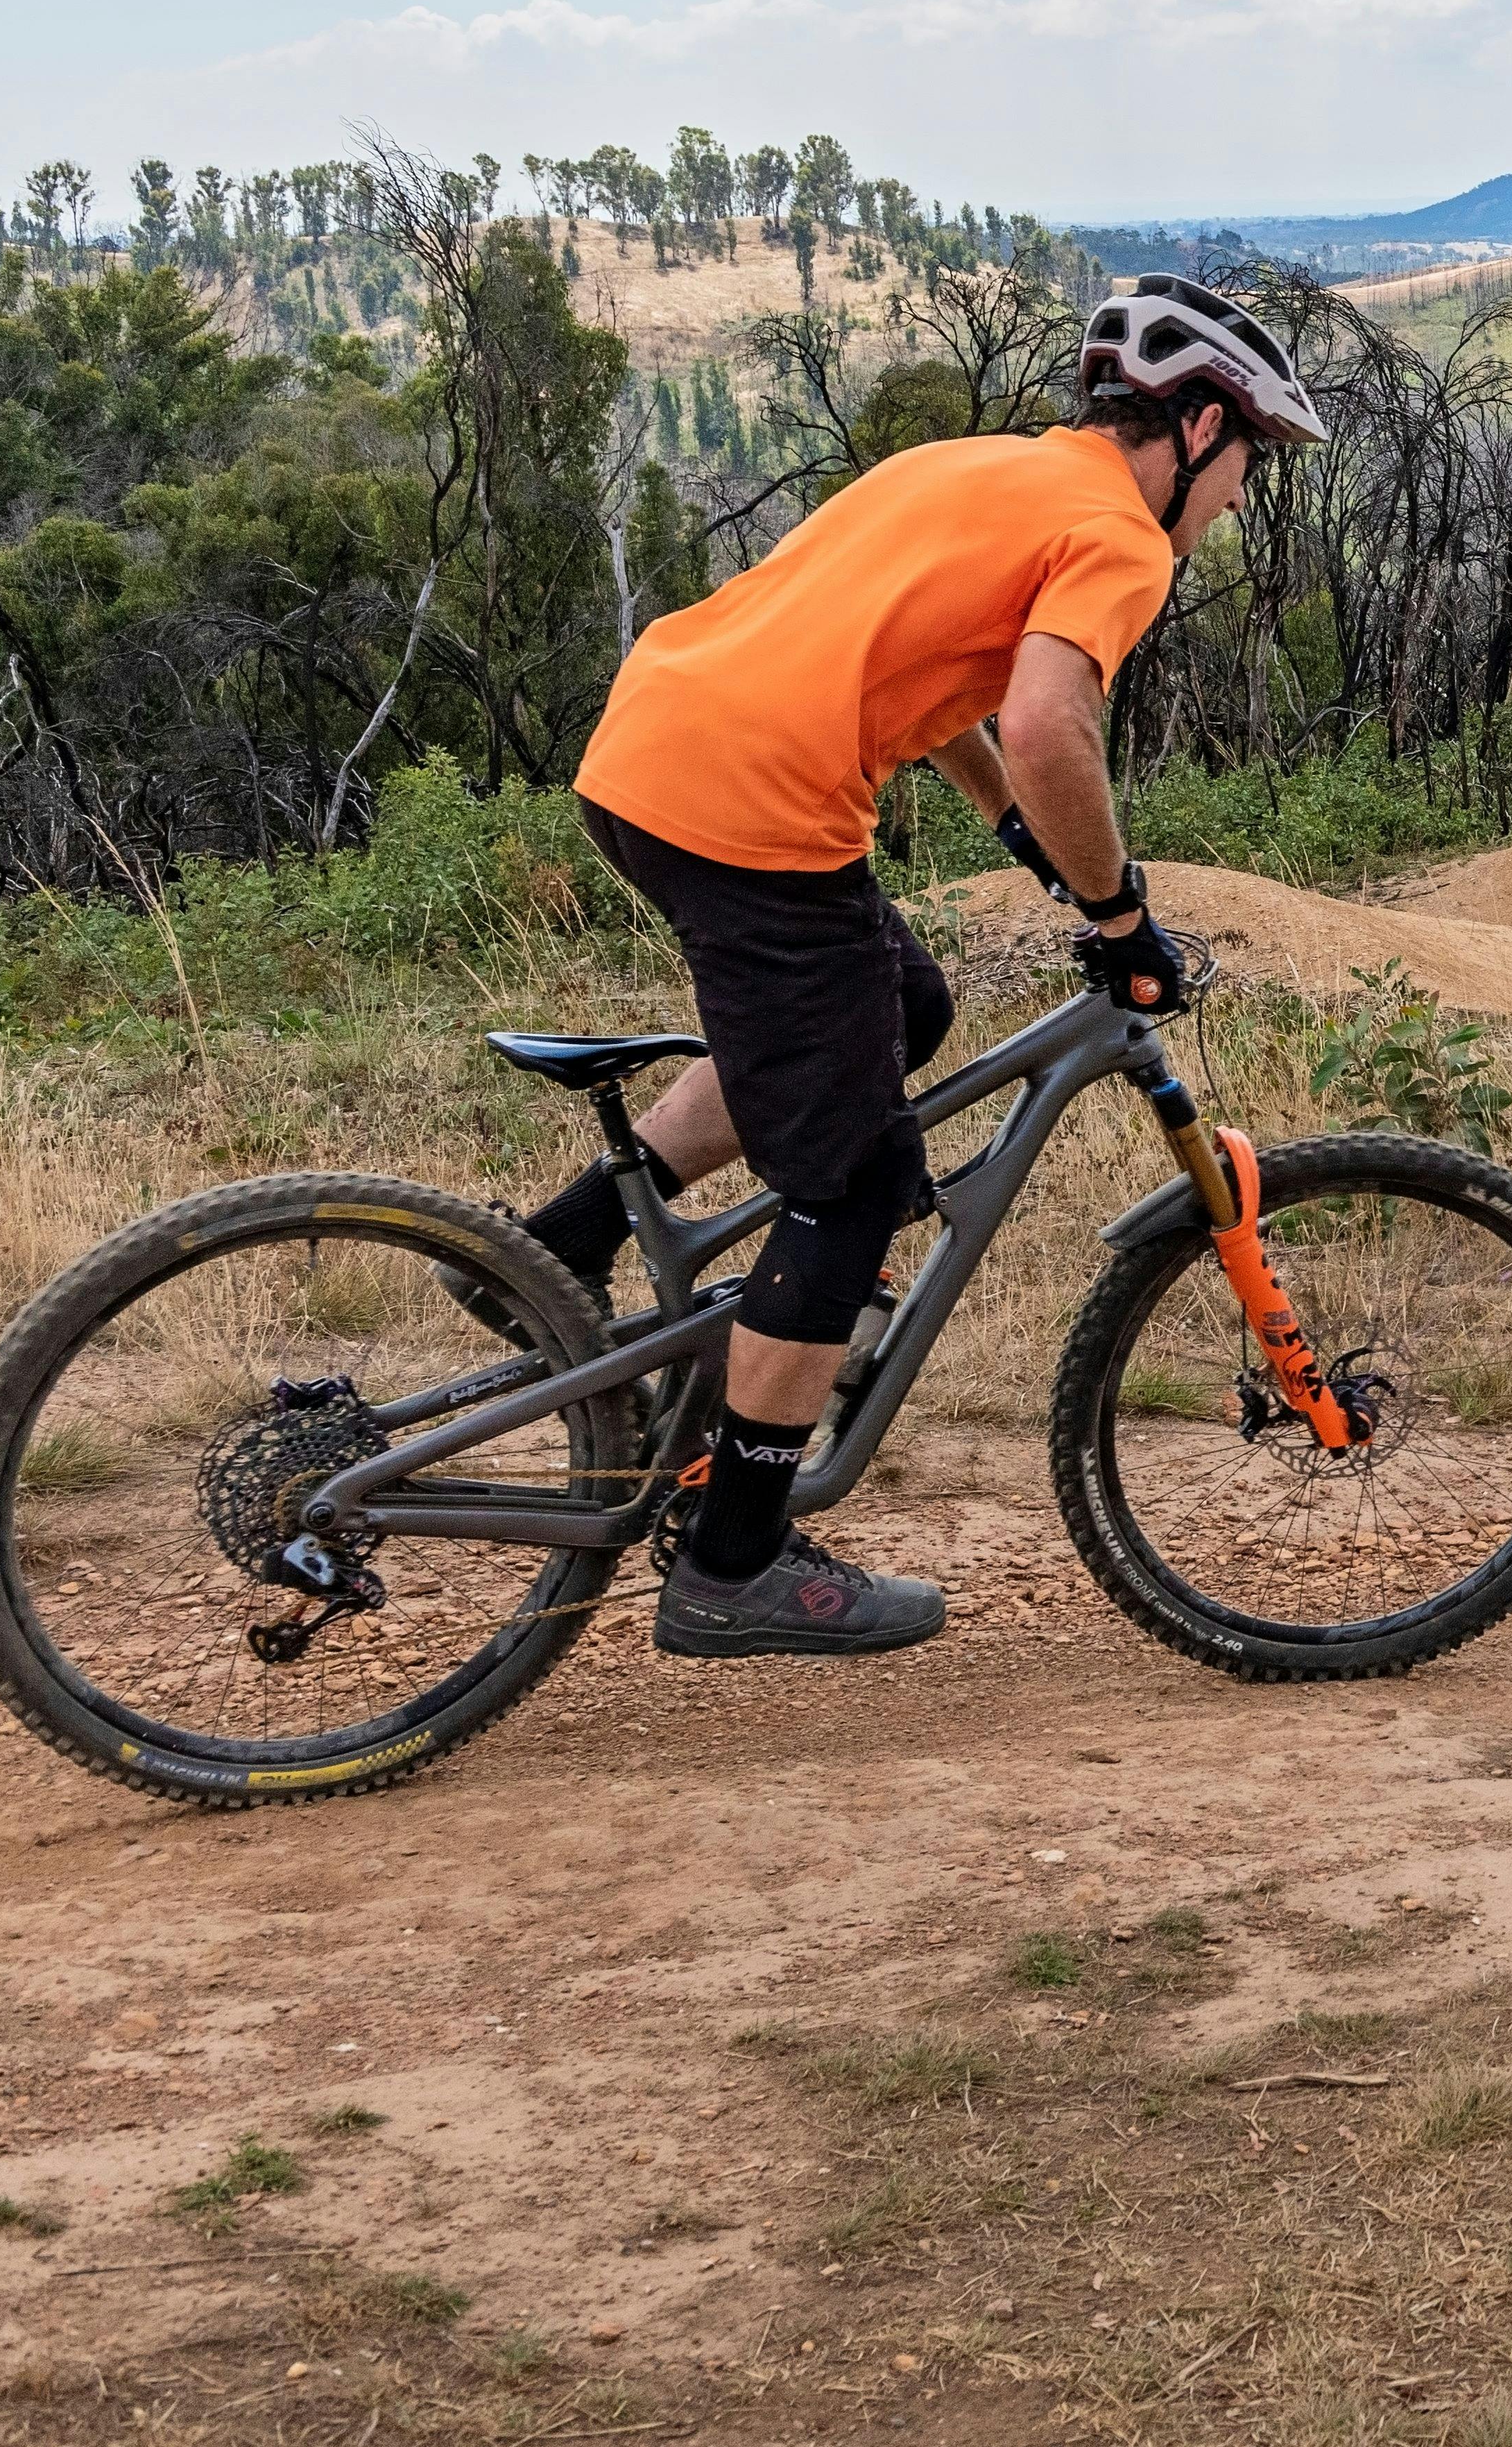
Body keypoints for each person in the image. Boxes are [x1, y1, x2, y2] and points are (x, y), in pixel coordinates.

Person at [489, 277, 1326, 1660]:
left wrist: (1014, 826)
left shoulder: (984, 470)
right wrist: (1118, 917)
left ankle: (553, 1248)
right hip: (754, 810)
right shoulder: (1120, 537)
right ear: (1190, 423)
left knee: (906, 1003)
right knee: (858, 1188)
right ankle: (731, 1560)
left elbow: (934, 673)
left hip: (650, 746)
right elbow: (1053, 722)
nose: (1243, 493)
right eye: (1248, 459)